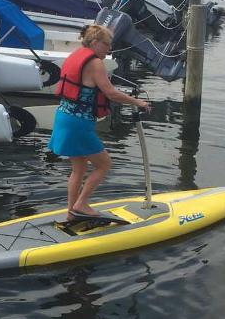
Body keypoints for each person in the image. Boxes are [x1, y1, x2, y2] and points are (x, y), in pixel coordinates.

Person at [48, 24, 149, 220]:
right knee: (104, 165)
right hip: (79, 124)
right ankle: (82, 205)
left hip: (64, 118)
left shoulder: (76, 55)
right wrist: (137, 102)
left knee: (79, 169)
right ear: (95, 43)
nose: (109, 49)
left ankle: (72, 213)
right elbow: (110, 92)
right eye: (106, 44)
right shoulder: (95, 63)